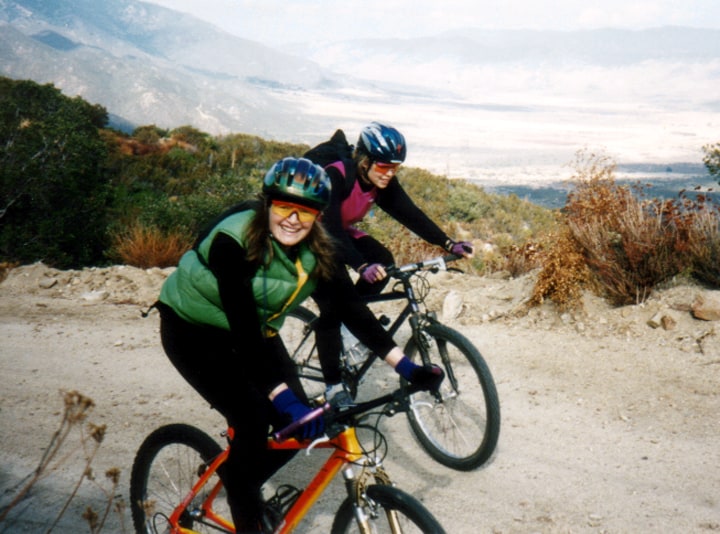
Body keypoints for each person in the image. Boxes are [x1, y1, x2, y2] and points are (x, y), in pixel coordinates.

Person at [155, 156, 443, 532]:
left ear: (318, 216)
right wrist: (279, 396)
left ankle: (240, 477)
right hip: (192, 331)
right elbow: (241, 327)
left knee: (299, 422)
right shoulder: (234, 240)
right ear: (268, 204)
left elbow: (352, 311)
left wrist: (407, 368)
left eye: (305, 211)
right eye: (285, 207)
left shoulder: (318, 252)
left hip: (257, 334)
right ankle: (241, 485)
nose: (293, 219)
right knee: (256, 419)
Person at [304, 122, 474, 392]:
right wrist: (360, 265)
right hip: (313, 236)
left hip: (339, 232)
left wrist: (448, 243)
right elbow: (330, 229)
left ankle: (352, 327)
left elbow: (410, 214)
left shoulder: (381, 182)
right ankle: (333, 387)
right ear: (364, 160)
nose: (389, 173)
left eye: (395, 167)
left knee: (383, 258)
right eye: (383, 166)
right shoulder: (336, 175)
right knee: (335, 303)